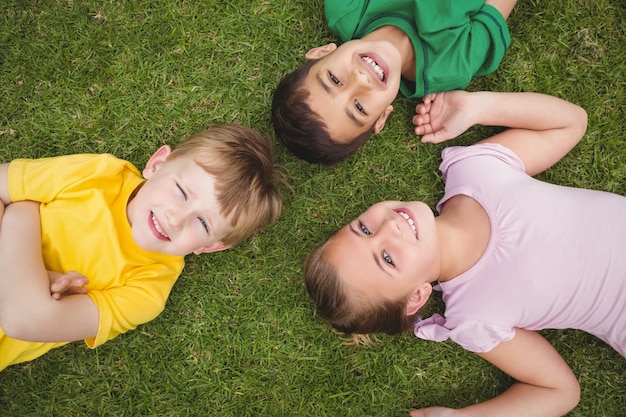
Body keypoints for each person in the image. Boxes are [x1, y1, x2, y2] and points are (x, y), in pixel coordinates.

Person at [304, 90, 626, 416]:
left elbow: (570, 123)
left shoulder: (475, 170)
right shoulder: (474, 317)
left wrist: (477, 107)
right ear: (416, 297)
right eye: (387, 259)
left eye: (364, 229)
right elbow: (559, 391)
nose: (388, 228)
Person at [0, 123, 283, 371]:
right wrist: (30, 278)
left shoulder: (148, 288)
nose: (176, 218)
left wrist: (19, 214)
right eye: (182, 192)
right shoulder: (99, 174)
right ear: (157, 164)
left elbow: (24, 319)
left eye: (203, 223)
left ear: (211, 246)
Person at [271, 0, 518, 164]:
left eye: (334, 79)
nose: (360, 79)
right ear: (382, 117)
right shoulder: (454, 65)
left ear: (321, 52)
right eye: (358, 107)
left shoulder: (346, 7)